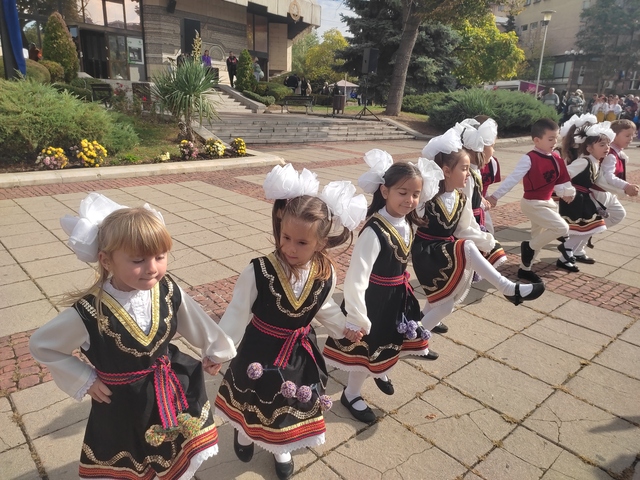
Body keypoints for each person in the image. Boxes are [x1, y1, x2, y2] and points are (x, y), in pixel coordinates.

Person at [29, 193, 236, 480]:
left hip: (170, 390)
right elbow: (43, 345)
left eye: (160, 257)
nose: (152, 268)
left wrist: (215, 350)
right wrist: (84, 379)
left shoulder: (167, 290)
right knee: (131, 458)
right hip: (122, 404)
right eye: (138, 260)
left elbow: (194, 319)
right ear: (106, 260)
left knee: (173, 450)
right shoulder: (89, 312)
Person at [214, 164, 366, 480]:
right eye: (286, 237)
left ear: (321, 243)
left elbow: (325, 308)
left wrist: (344, 329)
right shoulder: (258, 271)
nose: (290, 248)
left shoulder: (325, 273)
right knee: (252, 396)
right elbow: (237, 313)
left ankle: (280, 447)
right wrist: (218, 351)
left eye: (302, 243)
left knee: (286, 400)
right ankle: (244, 433)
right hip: (259, 348)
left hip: (298, 353)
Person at [323, 150, 439, 424]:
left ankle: (380, 369)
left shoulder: (406, 222)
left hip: (396, 296)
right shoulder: (374, 231)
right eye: (403, 193)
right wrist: (357, 315)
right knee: (366, 349)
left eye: (415, 194)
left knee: (390, 342)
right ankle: (351, 394)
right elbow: (357, 277)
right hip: (374, 300)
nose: (410, 200)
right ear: (385, 191)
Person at [413, 130, 545, 339]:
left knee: (444, 303)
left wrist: (490, 243)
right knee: (448, 295)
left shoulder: (460, 198)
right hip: (427, 253)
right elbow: (411, 224)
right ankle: (507, 287)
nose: (468, 174)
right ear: (446, 171)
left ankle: (416, 337)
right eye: (464, 169)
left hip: (444, 253)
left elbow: (466, 228)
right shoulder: (427, 198)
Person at [487, 118, 576, 284]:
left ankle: (524, 269)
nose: (554, 142)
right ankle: (528, 247)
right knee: (561, 227)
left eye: (556, 138)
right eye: (550, 139)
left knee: (538, 237)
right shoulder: (529, 158)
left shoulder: (556, 157)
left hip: (547, 203)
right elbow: (513, 178)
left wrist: (566, 193)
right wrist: (495, 196)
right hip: (532, 204)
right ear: (537, 140)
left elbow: (559, 181)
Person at [556, 120, 614, 271]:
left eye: (608, 144)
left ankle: (565, 255)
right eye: (602, 145)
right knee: (589, 227)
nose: (607, 148)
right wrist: (565, 191)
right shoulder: (584, 161)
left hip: (584, 199)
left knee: (590, 228)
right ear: (589, 148)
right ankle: (567, 249)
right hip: (575, 199)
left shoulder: (595, 162)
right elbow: (565, 174)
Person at [590, 119, 640, 241]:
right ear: (615, 136)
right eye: (627, 135)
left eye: (632, 135)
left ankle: (584, 234)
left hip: (606, 192)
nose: (631, 139)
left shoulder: (617, 152)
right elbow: (607, 176)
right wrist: (626, 186)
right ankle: (578, 238)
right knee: (590, 220)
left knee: (618, 214)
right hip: (599, 192)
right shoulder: (611, 154)